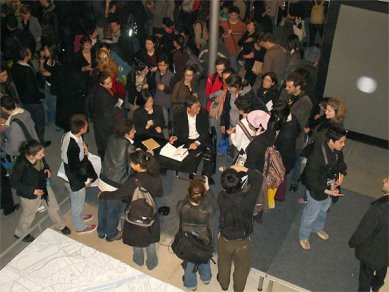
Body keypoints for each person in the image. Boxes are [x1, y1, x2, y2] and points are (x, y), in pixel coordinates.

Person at [99, 150, 163, 270]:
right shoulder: (156, 177)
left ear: (138, 165)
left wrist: (103, 195)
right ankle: (152, 262)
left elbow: (118, 194)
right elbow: (160, 193)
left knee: (136, 239)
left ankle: (138, 260)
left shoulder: (133, 181)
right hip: (150, 212)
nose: (130, 164)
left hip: (134, 213)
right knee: (150, 240)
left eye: (132, 163)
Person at [298, 124, 347, 250]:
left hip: (329, 188)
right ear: (331, 141)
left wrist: (341, 176)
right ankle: (304, 236)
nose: (343, 145)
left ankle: (318, 228)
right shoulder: (317, 157)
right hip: (316, 191)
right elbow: (310, 181)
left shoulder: (337, 151)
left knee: (323, 211)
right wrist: (327, 190)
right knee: (311, 214)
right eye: (341, 142)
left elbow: (341, 164)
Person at [11, 140, 70, 242]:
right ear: (32, 156)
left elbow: (44, 163)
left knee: (53, 207)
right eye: (40, 154)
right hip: (29, 195)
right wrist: (32, 191)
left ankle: (60, 225)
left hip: (43, 186)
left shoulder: (39, 156)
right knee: (29, 215)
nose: (43, 155)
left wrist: (47, 169)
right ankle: (20, 233)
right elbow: (14, 183)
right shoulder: (21, 165)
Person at [217, 164, 264, 291]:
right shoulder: (248, 199)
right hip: (243, 241)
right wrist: (243, 168)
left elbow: (227, 187)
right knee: (242, 269)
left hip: (225, 239)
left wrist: (227, 172)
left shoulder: (221, 197)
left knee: (223, 263)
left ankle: (224, 285)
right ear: (240, 183)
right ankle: (238, 289)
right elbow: (259, 179)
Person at [98, 119, 136, 242]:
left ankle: (101, 231)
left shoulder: (111, 138)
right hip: (115, 184)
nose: (135, 131)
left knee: (103, 207)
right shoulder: (130, 146)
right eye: (133, 130)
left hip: (103, 178)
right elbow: (131, 169)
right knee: (113, 211)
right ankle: (111, 234)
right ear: (127, 133)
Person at [348, 176, 388, 292]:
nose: (384, 180)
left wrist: (352, 242)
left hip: (372, 251)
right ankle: (377, 283)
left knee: (365, 274)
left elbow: (364, 230)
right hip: (386, 251)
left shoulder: (380, 208)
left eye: (387, 180)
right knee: (382, 265)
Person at [60, 114, 97, 234]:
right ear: (81, 129)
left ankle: (79, 216)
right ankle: (80, 227)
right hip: (73, 177)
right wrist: (85, 180)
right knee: (78, 202)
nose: (87, 125)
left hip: (69, 172)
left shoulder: (69, 135)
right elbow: (74, 168)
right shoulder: (73, 146)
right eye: (86, 124)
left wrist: (84, 147)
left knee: (76, 200)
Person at [177, 178, 214, 290]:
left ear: (189, 193)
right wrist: (208, 190)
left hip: (187, 239)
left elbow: (183, 203)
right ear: (202, 195)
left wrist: (189, 194)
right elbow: (213, 205)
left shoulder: (181, 206)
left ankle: (190, 284)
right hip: (204, 239)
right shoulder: (207, 210)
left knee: (189, 261)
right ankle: (206, 277)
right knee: (204, 258)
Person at [170, 95, 215, 182]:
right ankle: (192, 170)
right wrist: (175, 137)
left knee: (210, 151)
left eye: (199, 106)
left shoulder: (203, 113)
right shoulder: (179, 115)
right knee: (185, 152)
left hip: (200, 137)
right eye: (195, 108)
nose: (198, 109)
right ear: (188, 108)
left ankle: (206, 175)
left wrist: (197, 142)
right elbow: (177, 131)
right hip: (186, 138)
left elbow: (206, 131)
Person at [11, 47, 48, 145]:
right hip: (32, 100)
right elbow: (32, 87)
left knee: (32, 120)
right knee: (40, 120)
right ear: (27, 56)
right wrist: (40, 96)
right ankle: (39, 141)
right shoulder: (27, 70)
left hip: (23, 99)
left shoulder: (15, 66)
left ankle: (33, 139)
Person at [90, 71, 120, 159]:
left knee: (101, 140)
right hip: (103, 122)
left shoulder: (98, 88)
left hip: (98, 118)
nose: (111, 84)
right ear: (101, 84)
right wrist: (117, 108)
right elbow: (108, 113)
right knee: (105, 141)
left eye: (111, 81)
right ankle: (105, 158)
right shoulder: (103, 96)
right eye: (108, 83)